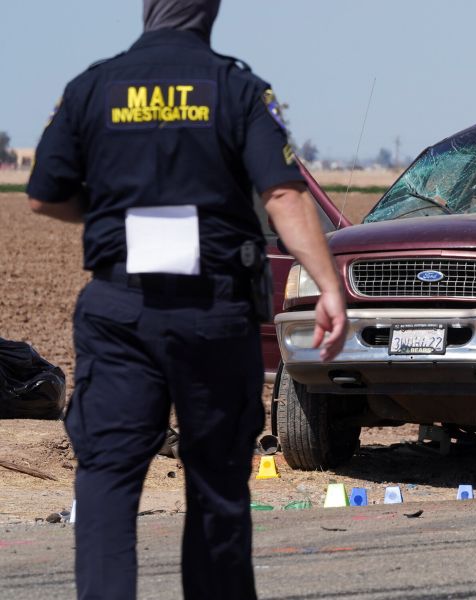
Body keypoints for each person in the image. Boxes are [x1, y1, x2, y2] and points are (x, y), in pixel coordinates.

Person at [26, 1, 347, 597]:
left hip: (120, 309)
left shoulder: (92, 86)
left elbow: (45, 194)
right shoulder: (238, 88)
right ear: (212, 10)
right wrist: (328, 285)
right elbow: (281, 193)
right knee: (218, 482)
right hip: (213, 314)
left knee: (107, 480)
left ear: (146, 9)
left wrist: (107, 214)